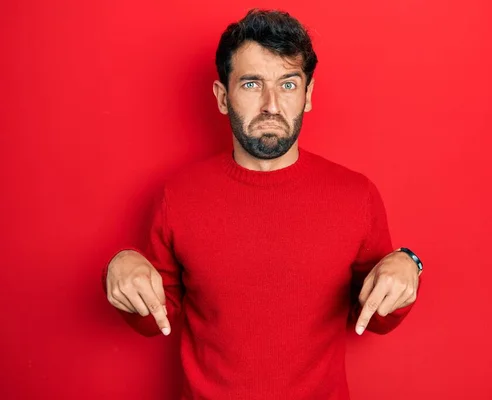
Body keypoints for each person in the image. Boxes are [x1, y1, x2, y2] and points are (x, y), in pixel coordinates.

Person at [103, 8, 423, 400]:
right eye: (252, 84)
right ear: (223, 97)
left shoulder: (357, 194)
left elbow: (374, 317)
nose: (272, 104)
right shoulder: (178, 195)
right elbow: (156, 320)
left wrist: (408, 266)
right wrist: (121, 265)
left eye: (288, 85)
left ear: (308, 96)